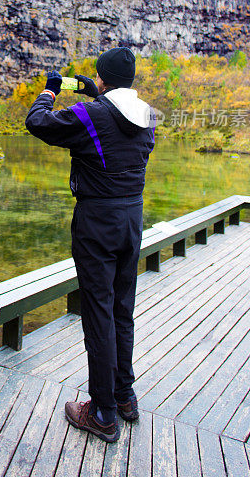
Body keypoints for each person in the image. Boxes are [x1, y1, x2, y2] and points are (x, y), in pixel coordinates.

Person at [25, 47, 155, 442]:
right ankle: (124, 396)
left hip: (97, 222)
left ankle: (101, 412)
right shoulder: (147, 115)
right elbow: (115, 126)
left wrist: (49, 91)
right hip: (132, 219)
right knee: (121, 308)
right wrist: (96, 96)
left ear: (101, 78)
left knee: (97, 312)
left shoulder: (90, 114)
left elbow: (38, 123)